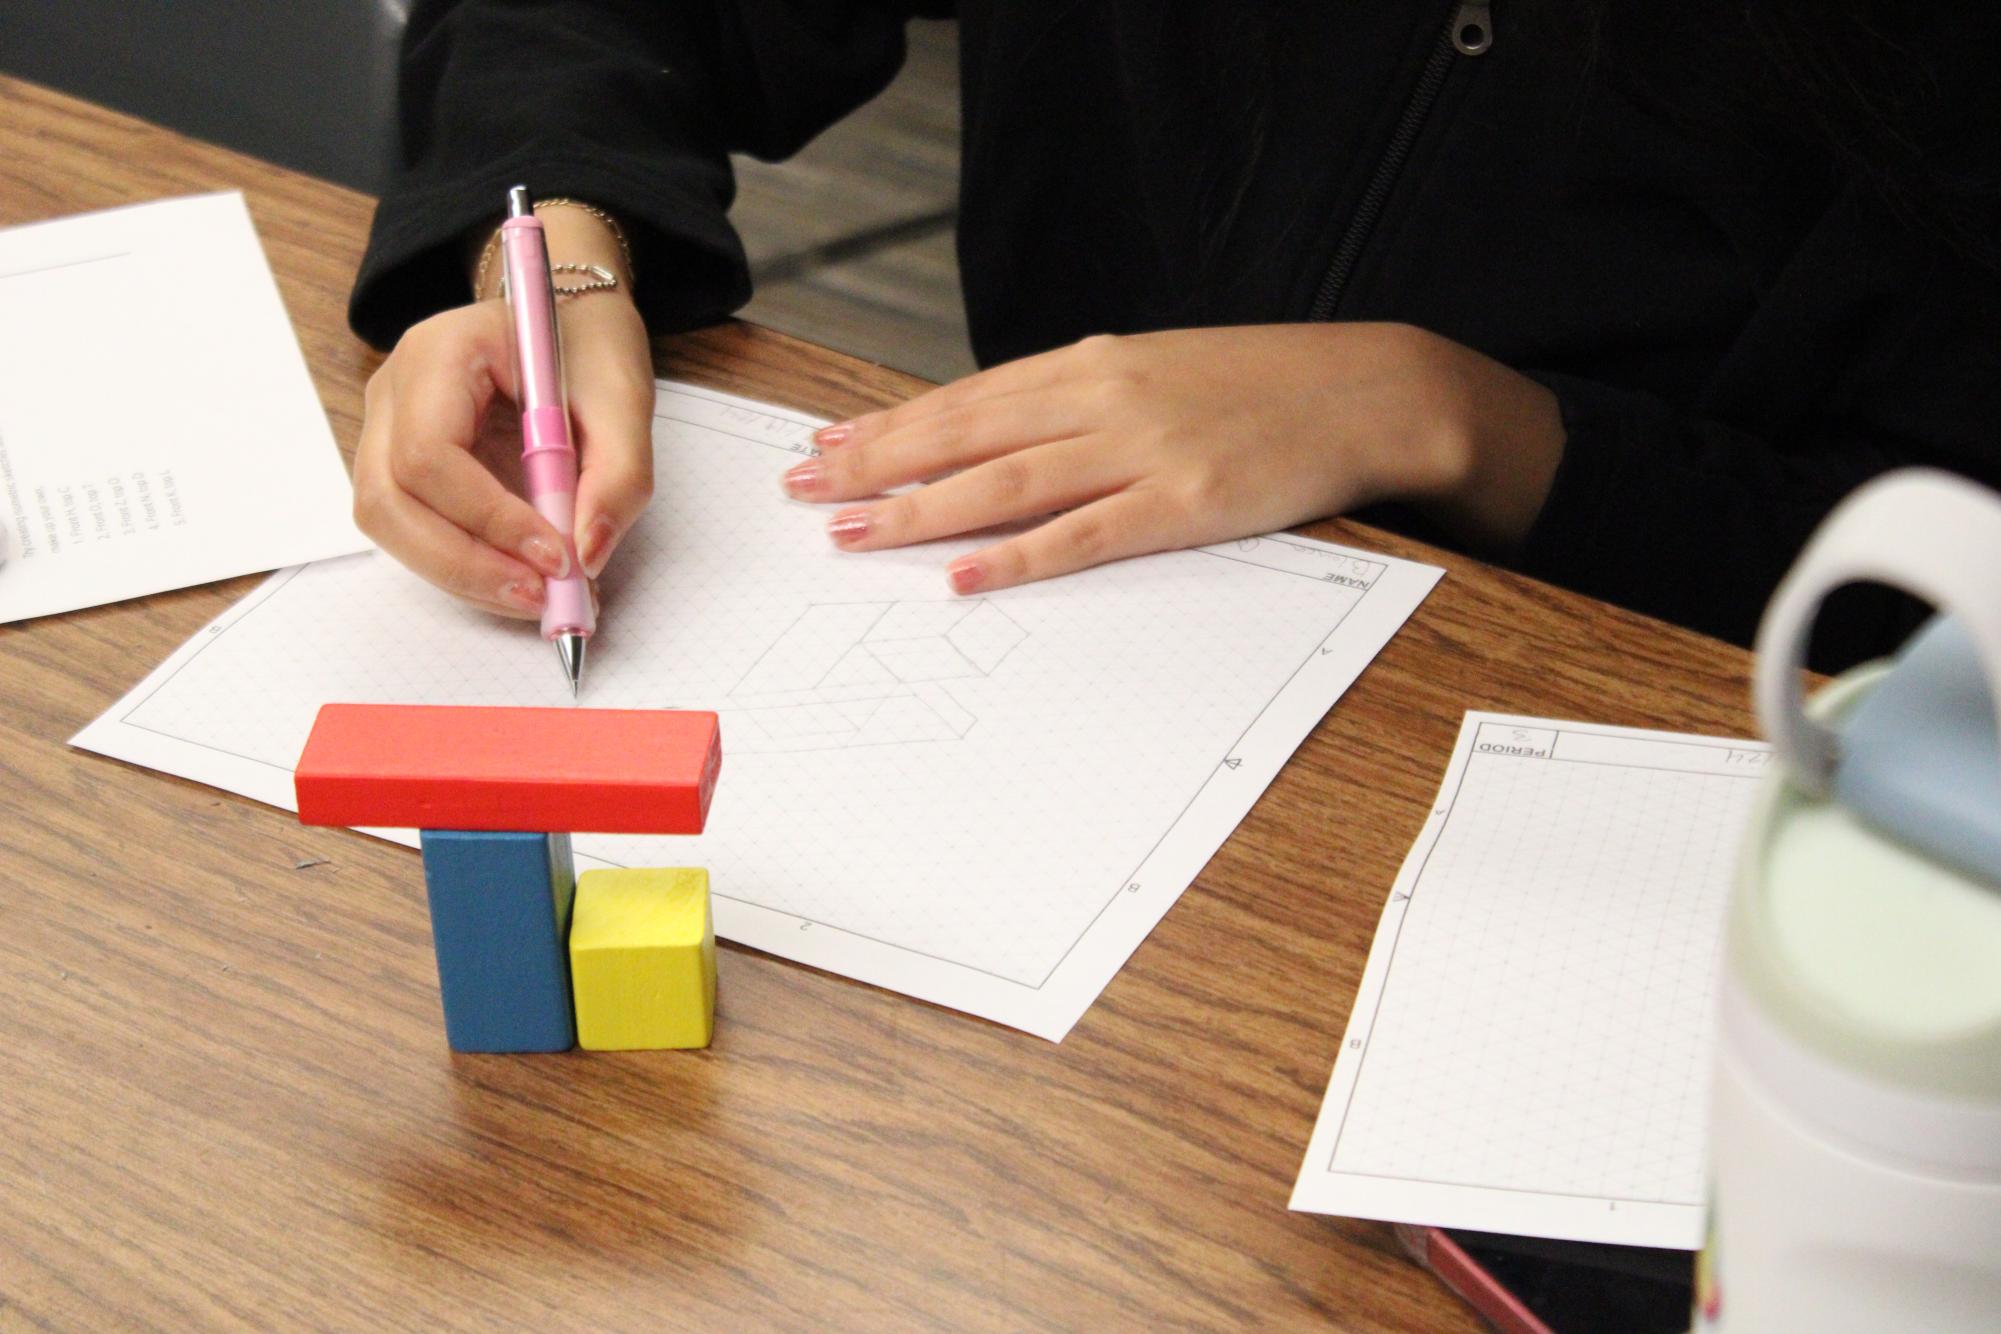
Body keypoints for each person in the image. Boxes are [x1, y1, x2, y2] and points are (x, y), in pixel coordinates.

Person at [348, 1, 2001, 671]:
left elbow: (1943, 593)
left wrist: (1471, 422)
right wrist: (549, 232)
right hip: (1060, 648)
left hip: (1637, 767)